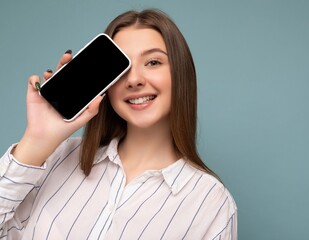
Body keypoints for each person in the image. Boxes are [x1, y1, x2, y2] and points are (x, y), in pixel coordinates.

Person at [0, 9, 237, 239]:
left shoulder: (211, 202)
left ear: (180, 74)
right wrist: (36, 142)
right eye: (122, 67)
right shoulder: (55, 158)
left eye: (153, 62)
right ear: (106, 84)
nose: (134, 80)